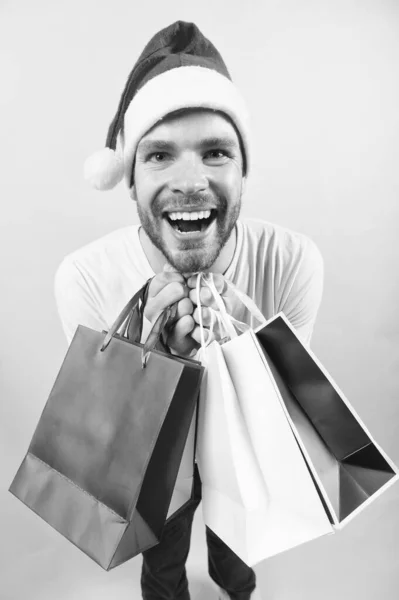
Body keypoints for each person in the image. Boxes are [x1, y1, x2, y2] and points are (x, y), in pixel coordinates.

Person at [55, 21, 323, 600]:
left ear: (241, 171)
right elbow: (101, 442)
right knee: (164, 556)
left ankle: (237, 587)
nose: (190, 181)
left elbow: (291, 431)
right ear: (129, 179)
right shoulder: (83, 279)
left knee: (241, 551)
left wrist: (249, 341)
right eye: (159, 156)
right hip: (159, 464)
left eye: (215, 152)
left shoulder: (294, 261)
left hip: (243, 452)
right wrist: (151, 361)